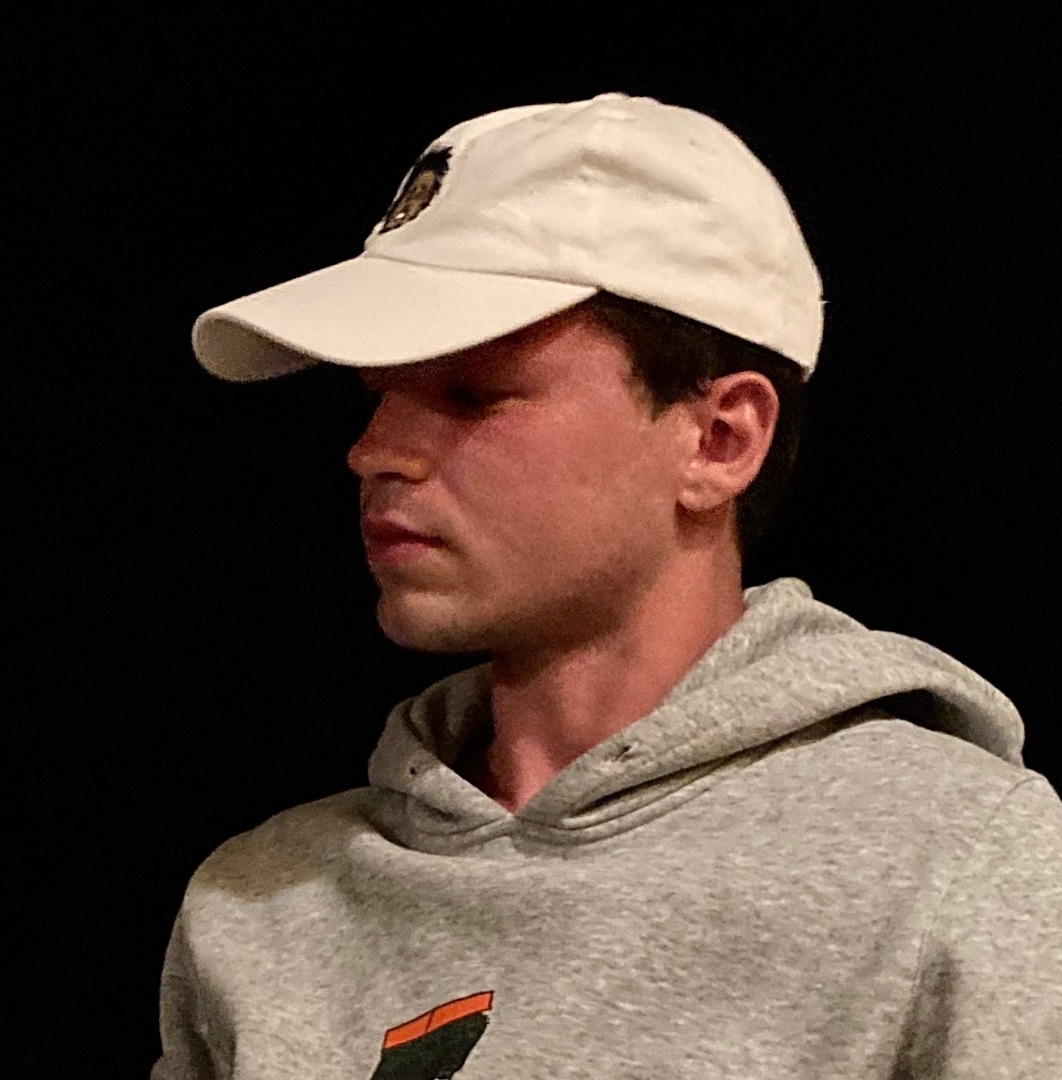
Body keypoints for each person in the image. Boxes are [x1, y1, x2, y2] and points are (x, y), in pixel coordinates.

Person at [152, 94, 1062, 1079]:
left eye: (471, 393)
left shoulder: (958, 863)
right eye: (378, 395)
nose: (373, 452)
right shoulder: (259, 907)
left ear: (720, 440)